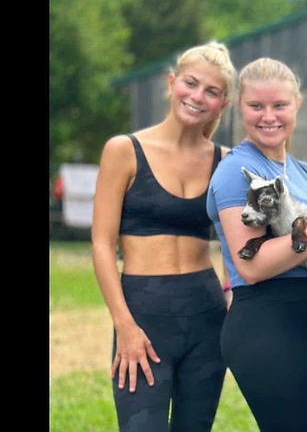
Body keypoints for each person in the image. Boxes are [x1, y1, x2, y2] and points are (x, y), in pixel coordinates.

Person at [91, 41, 236, 432]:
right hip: (144, 316)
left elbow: (237, 242)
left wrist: (231, 294)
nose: (197, 96)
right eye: (190, 83)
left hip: (207, 315)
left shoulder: (226, 161)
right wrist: (125, 326)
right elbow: (102, 245)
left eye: (212, 91)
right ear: (172, 83)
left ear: (222, 104)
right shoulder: (124, 150)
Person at [206, 57, 307, 431]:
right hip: (267, 324)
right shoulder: (237, 173)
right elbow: (253, 265)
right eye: (256, 106)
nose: (268, 116)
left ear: (297, 104)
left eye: (279, 105)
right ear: (240, 108)